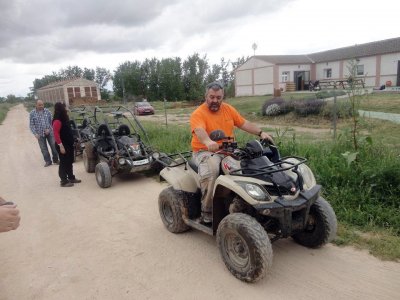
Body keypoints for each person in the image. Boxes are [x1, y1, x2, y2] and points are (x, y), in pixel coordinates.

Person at [190, 81, 274, 223]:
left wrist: (261, 133)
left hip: (228, 150)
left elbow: (244, 123)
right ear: (206, 96)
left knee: (249, 167)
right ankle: (207, 211)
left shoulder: (228, 109)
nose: (215, 100)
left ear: (223, 97)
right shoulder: (198, 113)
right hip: (205, 151)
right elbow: (200, 131)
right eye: (212, 97)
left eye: (218, 97)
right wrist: (208, 142)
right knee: (212, 171)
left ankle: (252, 203)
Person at [52, 102, 81, 187]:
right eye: (65, 108)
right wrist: (61, 146)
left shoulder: (64, 118)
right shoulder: (57, 120)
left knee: (69, 161)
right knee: (64, 162)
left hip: (68, 144)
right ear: (61, 109)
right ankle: (63, 181)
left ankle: (71, 177)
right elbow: (56, 134)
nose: (66, 109)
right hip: (62, 145)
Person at [29, 99, 59, 167]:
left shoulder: (47, 111)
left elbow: (52, 122)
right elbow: (31, 125)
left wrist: (49, 129)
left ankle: (56, 160)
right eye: (39, 105)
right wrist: (35, 133)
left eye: (42, 105)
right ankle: (48, 161)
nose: (41, 106)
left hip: (49, 132)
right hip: (40, 134)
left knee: (54, 146)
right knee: (43, 148)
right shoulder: (32, 113)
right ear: (36, 105)